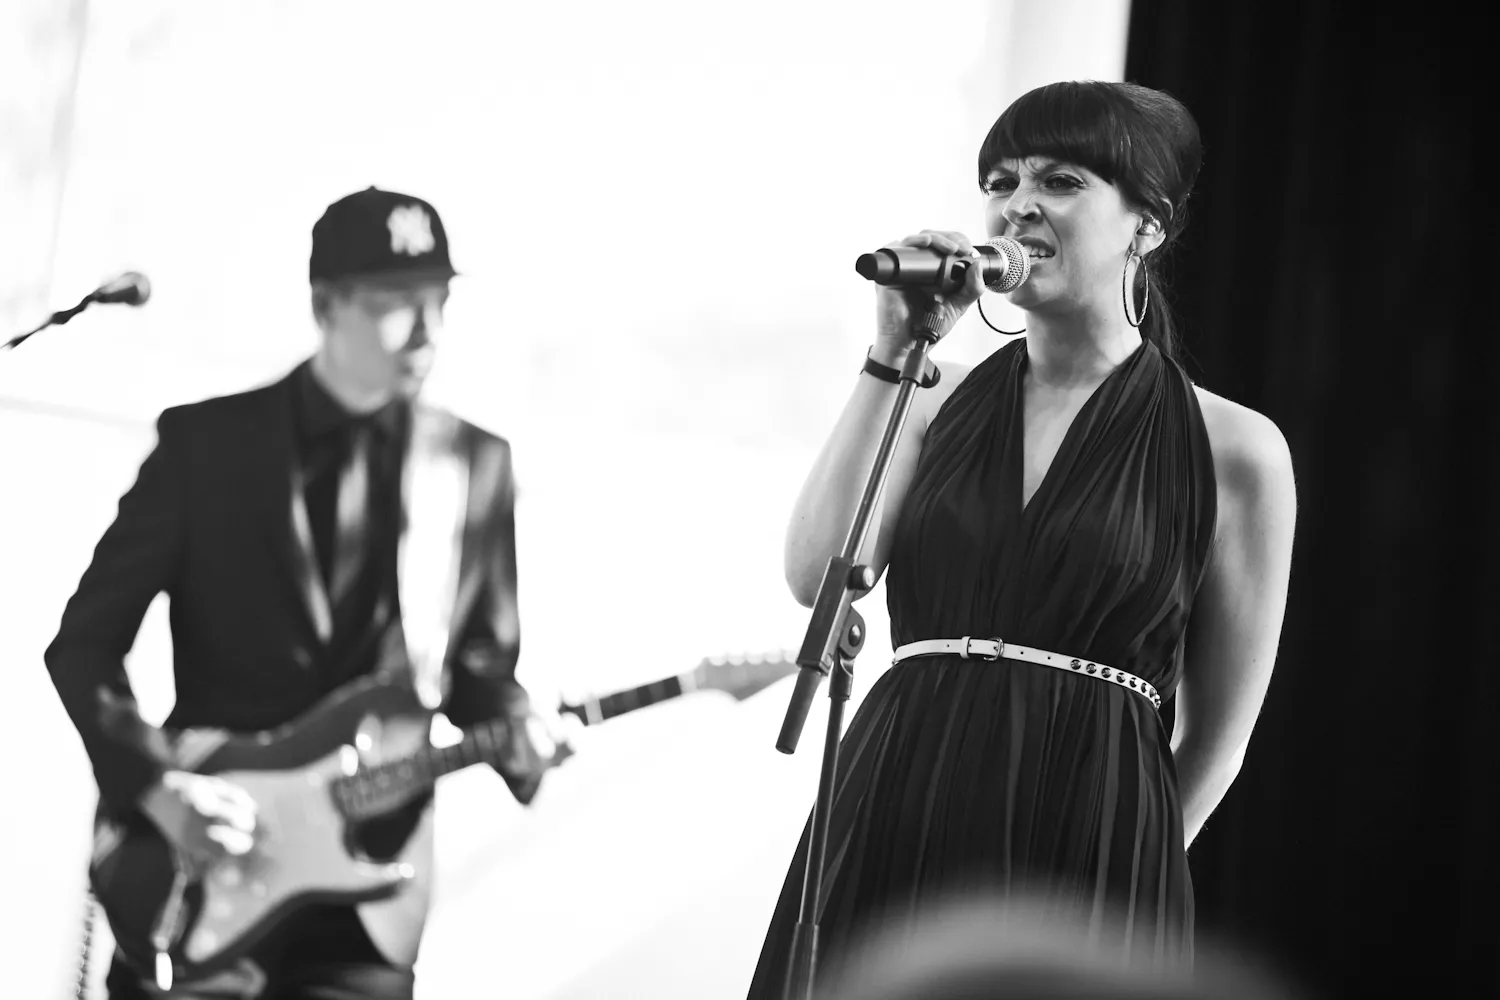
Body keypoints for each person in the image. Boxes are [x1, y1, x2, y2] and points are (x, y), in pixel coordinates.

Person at [748, 80, 1298, 996]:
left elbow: (1218, 738)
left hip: (1093, 829)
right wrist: (893, 351)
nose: (1017, 205)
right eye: (1001, 182)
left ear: (1147, 226)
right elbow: (819, 574)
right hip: (898, 793)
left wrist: (1131, 867)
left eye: (1061, 180)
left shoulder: (1234, 448)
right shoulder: (934, 395)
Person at [45, 186, 556, 999]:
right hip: (206, 866)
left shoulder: (476, 466)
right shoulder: (203, 445)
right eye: (395, 303)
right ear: (325, 306)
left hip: (369, 898)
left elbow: (480, 672)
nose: (426, 329)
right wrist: (159, 787)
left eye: (439, 301)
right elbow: (84, 646)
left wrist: (519, 731)